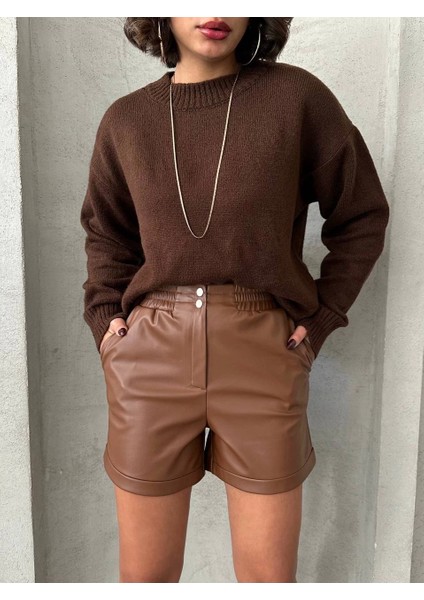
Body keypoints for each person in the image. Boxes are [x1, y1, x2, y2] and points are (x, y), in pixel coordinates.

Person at [80, 17, 390, 583]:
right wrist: (107, 323)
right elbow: (107, 235)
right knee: (145, 579)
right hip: (149, 358)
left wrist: (323, 316)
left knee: (268, 581)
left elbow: (362, 213)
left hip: (263, 354)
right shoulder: (126, 120)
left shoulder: (296, 99)